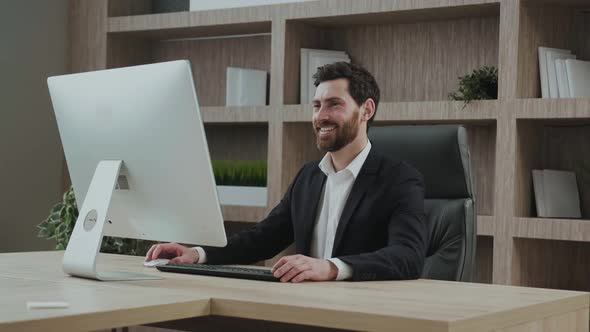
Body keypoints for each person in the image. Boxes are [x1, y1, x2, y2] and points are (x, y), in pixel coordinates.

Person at [145, 62, 428, 282]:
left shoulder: (399, 179)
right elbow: (263, 238)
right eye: (317, 106)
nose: (321, 116)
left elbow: (407, 256)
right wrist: (196, 253)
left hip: (366, 313)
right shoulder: (309, 177)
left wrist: (331, 268)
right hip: (303, 308)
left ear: (366, 110)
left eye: (334, 104)